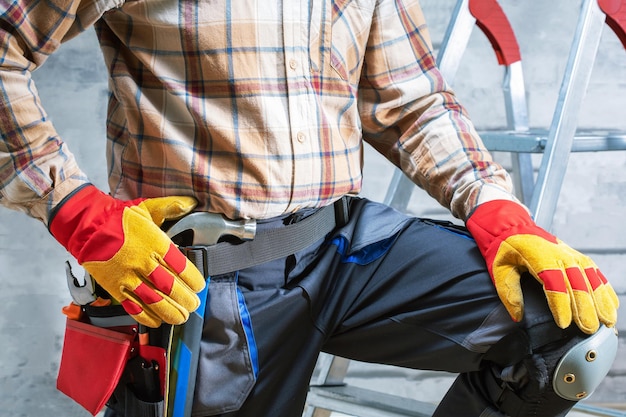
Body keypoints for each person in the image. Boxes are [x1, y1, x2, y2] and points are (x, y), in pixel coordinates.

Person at [0, 1, 620, 416]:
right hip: (203, 280)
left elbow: (411, 103)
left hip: (345, 245)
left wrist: (498, 210)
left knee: (563, 331)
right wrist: (77, 212)